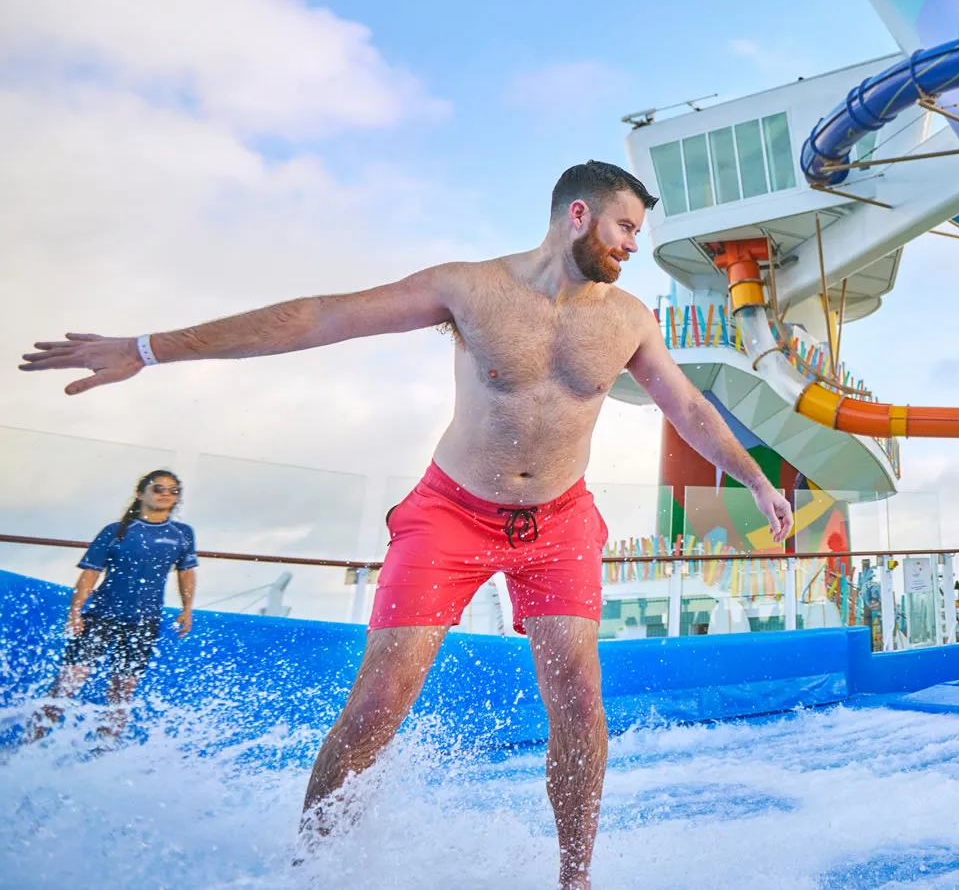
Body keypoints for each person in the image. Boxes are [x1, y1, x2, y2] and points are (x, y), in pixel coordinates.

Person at [18, 160, 795, 888]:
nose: (633, 247)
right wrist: (149, 349)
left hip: (560, 521)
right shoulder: (470, 288)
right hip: (451, 514)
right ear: (578, 216)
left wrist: (757, 480)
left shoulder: (627, 318)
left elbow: (687, 407)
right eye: (626, 228)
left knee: (579, 700)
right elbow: (320, 317)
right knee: (380, 697)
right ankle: (311, 867)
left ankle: (575, 877)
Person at [29, 469, 197, 744]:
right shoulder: (117, 531)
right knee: (66, 685)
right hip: (102, 617)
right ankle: (28, 745)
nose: (166, 494)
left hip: (144, 621)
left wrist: (187, 607)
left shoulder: (181, 534)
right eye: (159, 488)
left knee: (121, 695)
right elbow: (90, 573)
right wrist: (76, 611)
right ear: (141, 493)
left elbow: (186, 572)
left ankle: (102, 754)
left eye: (173, 490)